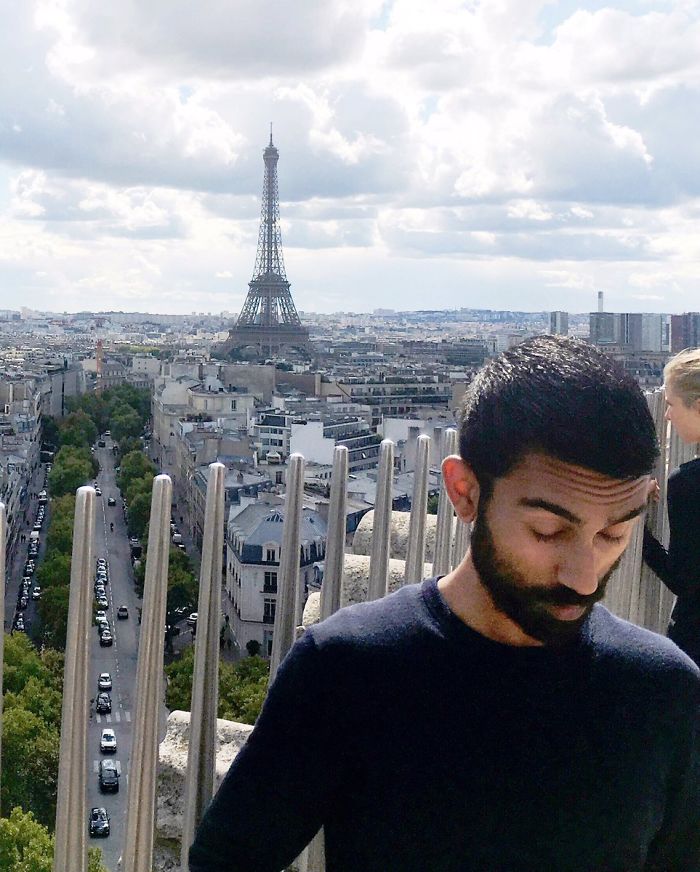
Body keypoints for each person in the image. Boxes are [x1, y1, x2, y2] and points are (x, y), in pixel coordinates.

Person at [189, 337, 700, 872]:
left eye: (614, 534)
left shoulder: (668, 692)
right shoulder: (344, 669)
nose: (584, 576)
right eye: (548, 531)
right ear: (465, 492)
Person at [643, 347, 700, 664]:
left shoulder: (689, 484)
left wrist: (639, 528)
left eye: (672, 405)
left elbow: (683, 580)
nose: (667, 415)